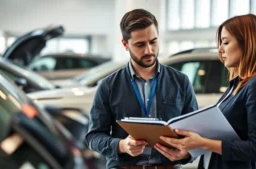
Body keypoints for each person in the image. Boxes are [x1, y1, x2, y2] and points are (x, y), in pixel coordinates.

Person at [154, 14, 256, 169]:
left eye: (226, 42)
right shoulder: (237, 85)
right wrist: (189, 151)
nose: (220, 49)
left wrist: (202, 142)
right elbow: (221, 141)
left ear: (248, 43)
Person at [85, 9, 198, 169]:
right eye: (140, 44)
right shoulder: (108, 86)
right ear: (125, 44)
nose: (149, 50)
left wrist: (186, 153)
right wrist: (122, 145)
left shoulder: (181, 82)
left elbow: (195, 136)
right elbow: (94, 137)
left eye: (153, 42)